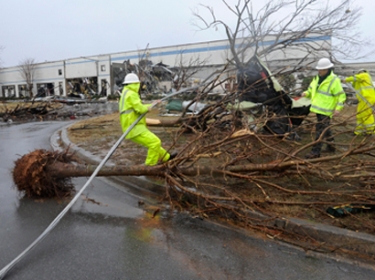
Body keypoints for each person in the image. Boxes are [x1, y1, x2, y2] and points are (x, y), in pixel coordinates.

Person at [119, 73, 177, 166]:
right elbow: (141, 109)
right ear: (135, 84)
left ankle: (166, 157)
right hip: (133, 126)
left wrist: (152, 104)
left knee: (153, 143)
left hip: (131, 125)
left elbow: (137, 107)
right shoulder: (132, 94)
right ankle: (150, 165)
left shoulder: (126, 93)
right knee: (155, 142)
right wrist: (147, 108)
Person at [302, 58, 346, 159]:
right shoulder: (317, 78)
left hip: (326, 111)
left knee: (320, 131)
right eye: (319, 69)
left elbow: (341, 95)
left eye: (321, 69)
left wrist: (338, 108)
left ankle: (315, 152)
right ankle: (331, 146)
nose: (319, 71)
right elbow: (311, 90)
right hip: (318, 109)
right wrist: (306, 93)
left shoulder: (334, 80)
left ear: (327, 69)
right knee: (326, 129)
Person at [342, 69, 375, 135]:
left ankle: (371, 131)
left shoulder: (365, 75)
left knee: (366, 115)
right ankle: (358, 132)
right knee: (359, 115)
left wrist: (346, 79)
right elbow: (354, 83)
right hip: (363, 99)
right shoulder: (360, 80)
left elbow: (356, 78)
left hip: (367, 98)